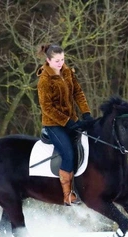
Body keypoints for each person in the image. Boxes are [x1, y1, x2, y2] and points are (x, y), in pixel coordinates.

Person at [36, 44, 95, 206]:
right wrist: (67, 122)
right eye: (56, 61)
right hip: (54, 125)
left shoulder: (67, 72)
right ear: (48, 60)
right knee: (68, 153)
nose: (60, 63)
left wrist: (86, 113)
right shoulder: (44, 80)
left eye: (62, 59)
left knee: (87, 147)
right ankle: (67, 195)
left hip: (72, 121)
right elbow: (47, 108)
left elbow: (78, 92)